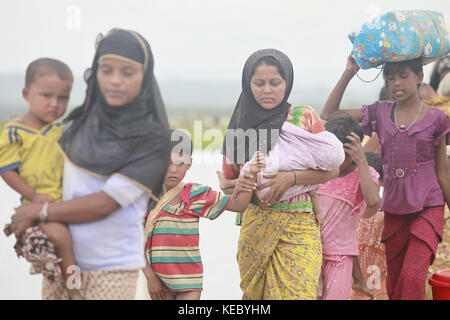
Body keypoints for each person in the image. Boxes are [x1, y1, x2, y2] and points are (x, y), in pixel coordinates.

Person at [8, 28, 171, 300]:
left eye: (127, 72)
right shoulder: (75, 125)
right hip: (61, 263)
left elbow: (105, 203)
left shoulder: (152, 139)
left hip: (112, 269)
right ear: (95, 72)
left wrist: (41, 211)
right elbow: (40, 169)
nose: (115, 80)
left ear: (144, 77)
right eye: (106, 70)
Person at [321, 55, 450, 300]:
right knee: (395, 283)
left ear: (420, 77)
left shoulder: (437, 119)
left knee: (412, 277)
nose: (396, 84)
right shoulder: (379, 113)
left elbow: (443, 174)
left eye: (404, 76)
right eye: (390, 78)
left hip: (428, 206)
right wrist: (349, 72)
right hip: (395, 209)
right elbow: (329, 113)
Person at [220, 49, 340, 300]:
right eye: (259, 83)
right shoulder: (239, 128)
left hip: (300, 223)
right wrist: (241, 182)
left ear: (287, 83)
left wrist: (292, 178)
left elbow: (332, 169)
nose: (267, 90)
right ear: (247, 84)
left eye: (275, 83)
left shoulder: (303, 117)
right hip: (257, 224)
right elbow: (229, 183)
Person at [143, 130, 263, 300]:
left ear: (189, 163)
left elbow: (239, 205)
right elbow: (132, 241)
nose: (173, 169)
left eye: (180, 163)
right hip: (158, 283)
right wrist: (150, 277)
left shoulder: (197, 194)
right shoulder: (146, 198)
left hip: (190, 282)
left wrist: (250, 174)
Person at [0, 58, 82, 298]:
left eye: (63, 98)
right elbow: (6, 169)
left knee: (75, 242)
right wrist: (32, 195)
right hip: (38, 204)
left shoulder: (61, 129)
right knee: (61, 238)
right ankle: (75, 289)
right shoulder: (15, 130)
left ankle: (56, 271)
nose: (55, 104)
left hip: (66, 204)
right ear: (26, 94)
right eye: (46, 96)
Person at [316, 115, 381, 300]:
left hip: (341, 256)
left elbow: (373, 202)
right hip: (310, 250)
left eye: (342, 154)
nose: (335, 160)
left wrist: (362, 161)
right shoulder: (317, 170)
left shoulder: (364, 174)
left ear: (353, 151)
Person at [350, 152, 388, 300]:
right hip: (352, 284)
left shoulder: (388, 213)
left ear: (382, 181)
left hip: (381, 286)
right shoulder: (347, 210)